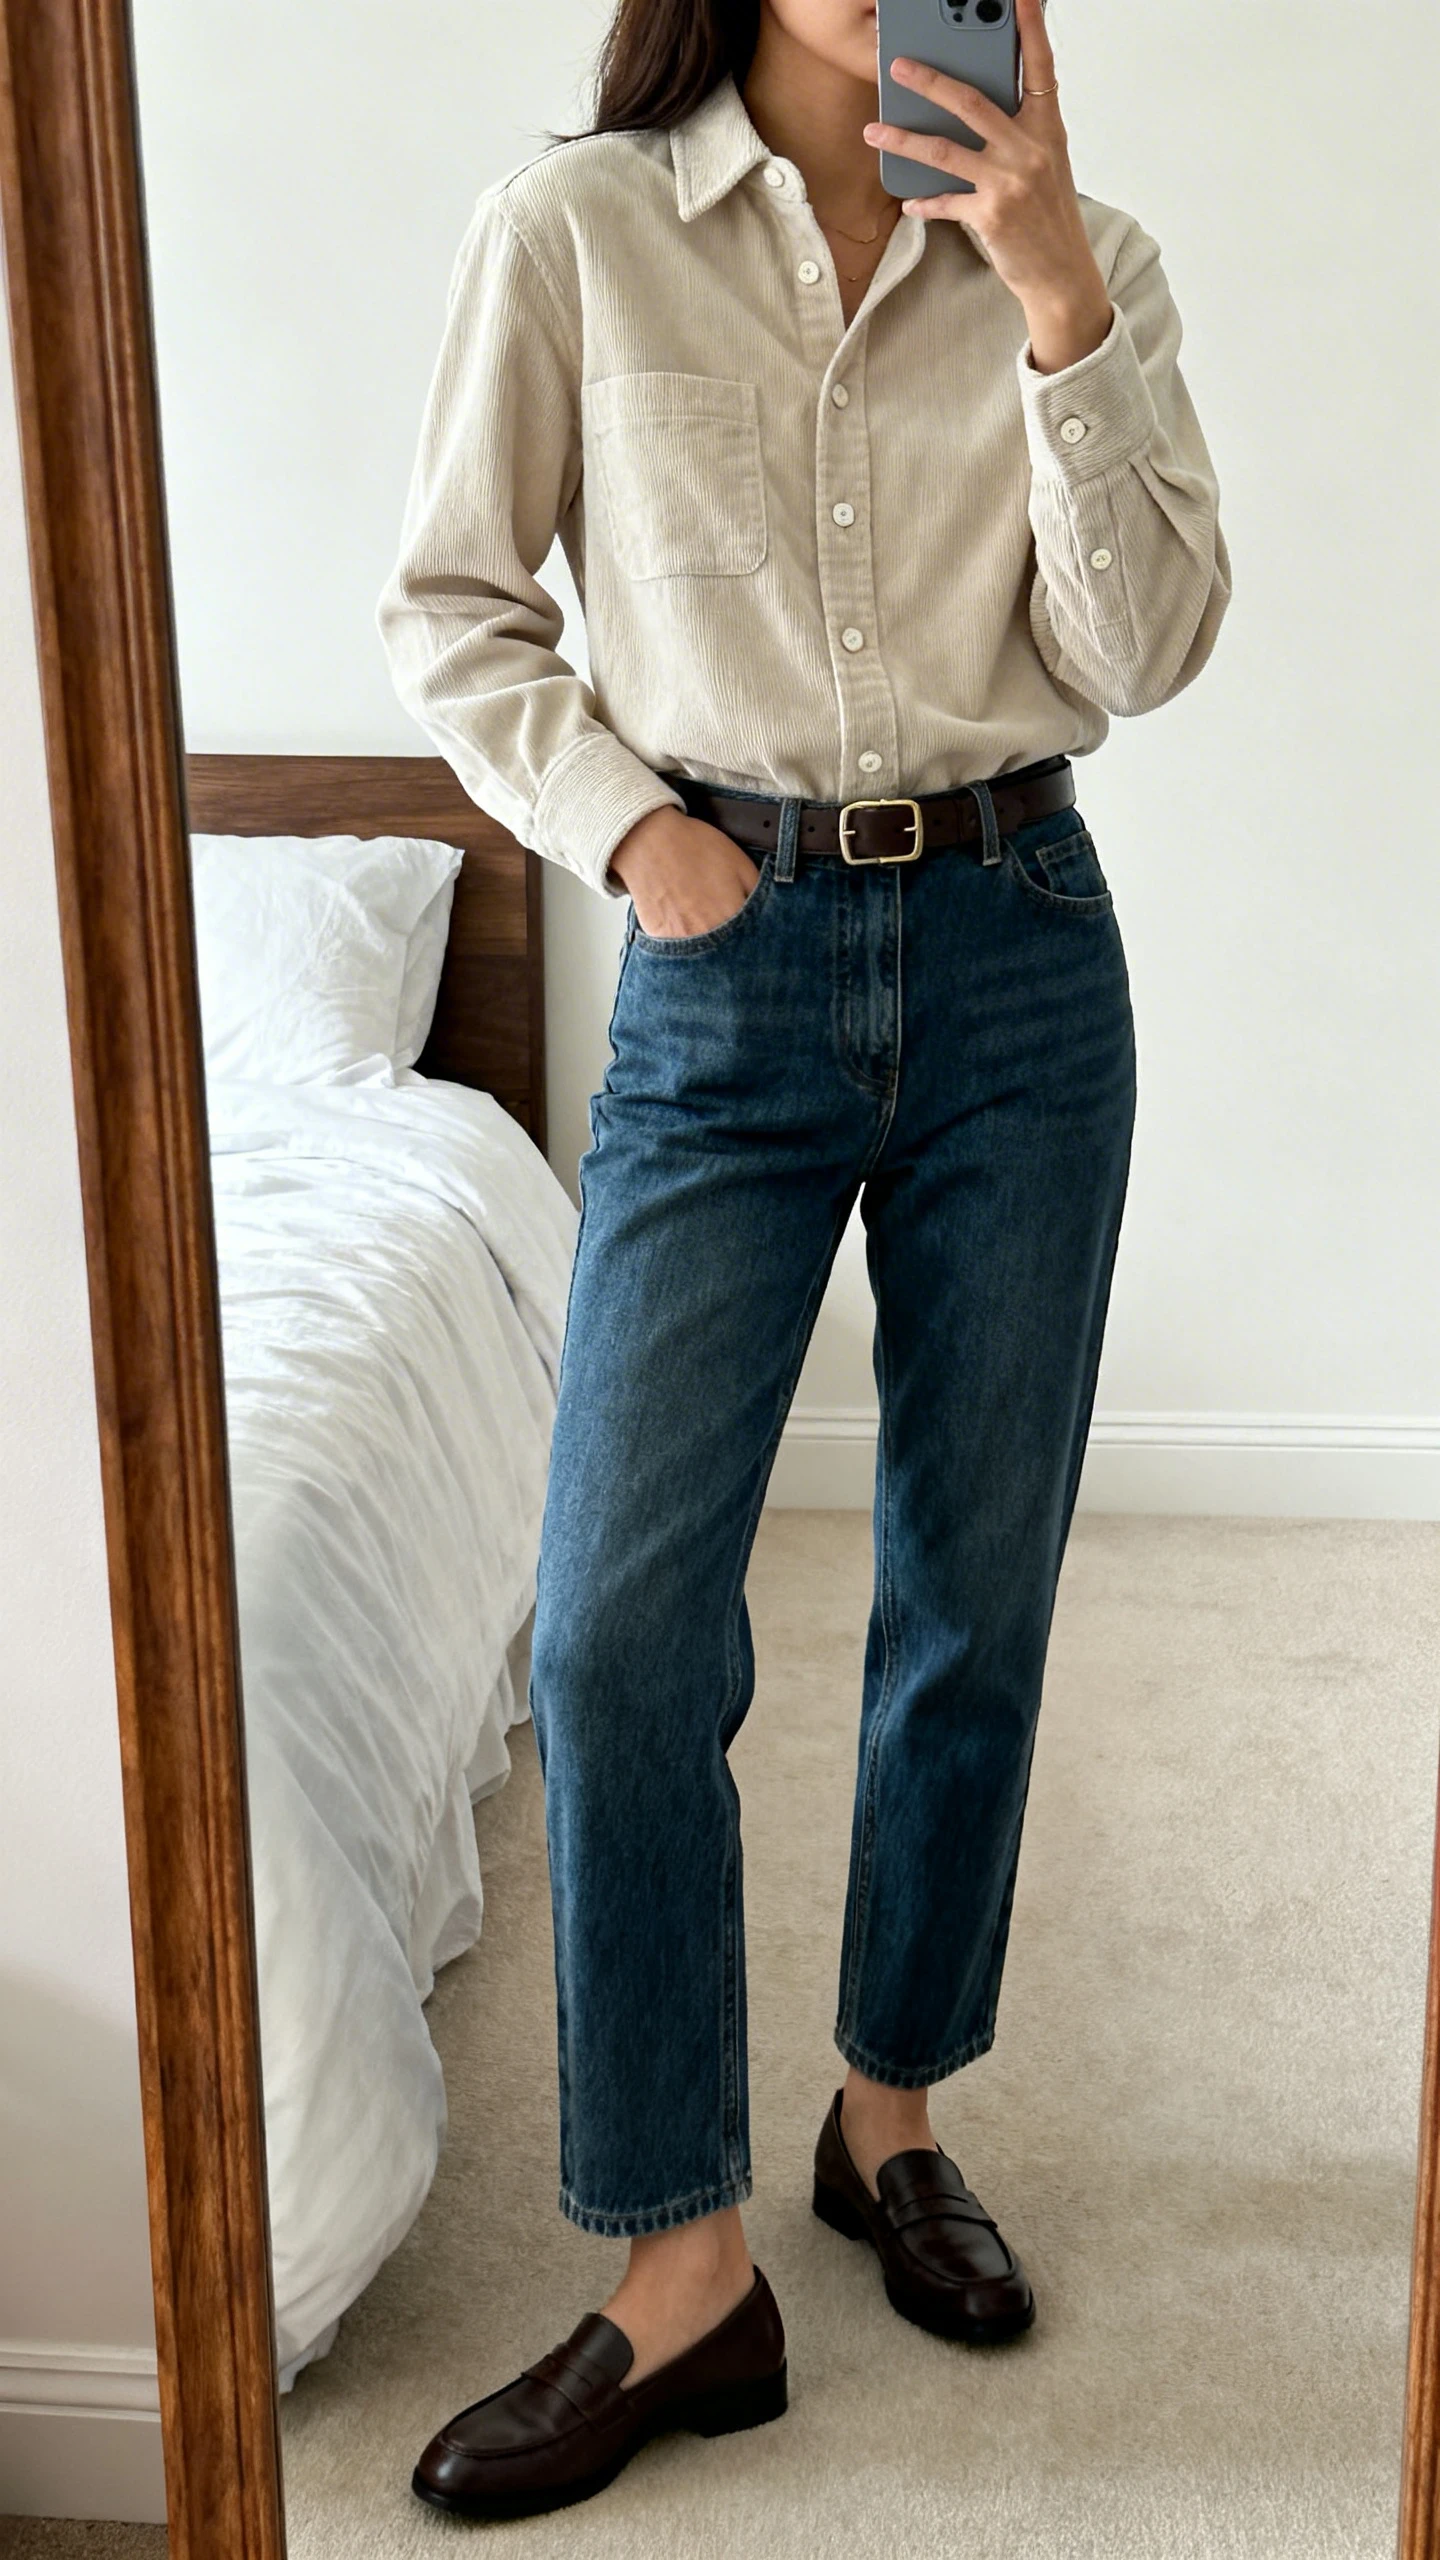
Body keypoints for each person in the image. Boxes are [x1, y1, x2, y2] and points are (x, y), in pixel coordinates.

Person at [378, 0, 1229, 2519]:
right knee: (623, 1624)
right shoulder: (577, 229)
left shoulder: (1084, 250)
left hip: (1021, 960)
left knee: (973, 1591)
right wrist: (632, 832)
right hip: (720, 971)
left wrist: (1058, 289)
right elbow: (452, 605)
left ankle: (887, 2117)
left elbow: (1148, 645)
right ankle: (680, 2272)